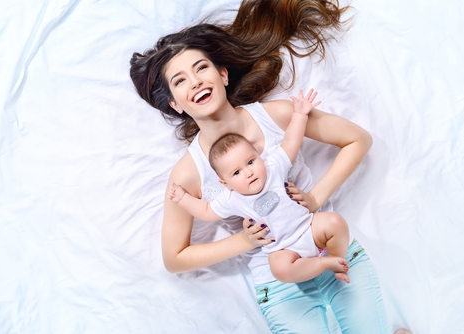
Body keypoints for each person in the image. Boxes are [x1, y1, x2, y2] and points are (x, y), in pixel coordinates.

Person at [130, 0, 412, 332]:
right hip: (278, 282)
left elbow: (358, 140)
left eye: (201, 68)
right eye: (180, 81)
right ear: (175, 104)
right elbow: (174, 259)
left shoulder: (277, 115)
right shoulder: (188, 173)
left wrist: (316, 197)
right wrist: (245, 242)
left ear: (222, 75)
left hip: (330, 248)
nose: (194, 81)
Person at [167, 89, 351, 284]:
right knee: (280, 270)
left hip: (309, 227)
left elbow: (291, 141)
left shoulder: (274, 168)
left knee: (334, 222)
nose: (248, 172)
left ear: (259, 157)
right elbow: (205, 211)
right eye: (236, 173)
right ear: (225, 183)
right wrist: (182, 198)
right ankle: (324, 264)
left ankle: (336, 257)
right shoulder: (232, 199)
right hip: (282, 249)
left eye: (251, 162)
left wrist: (299, 114)